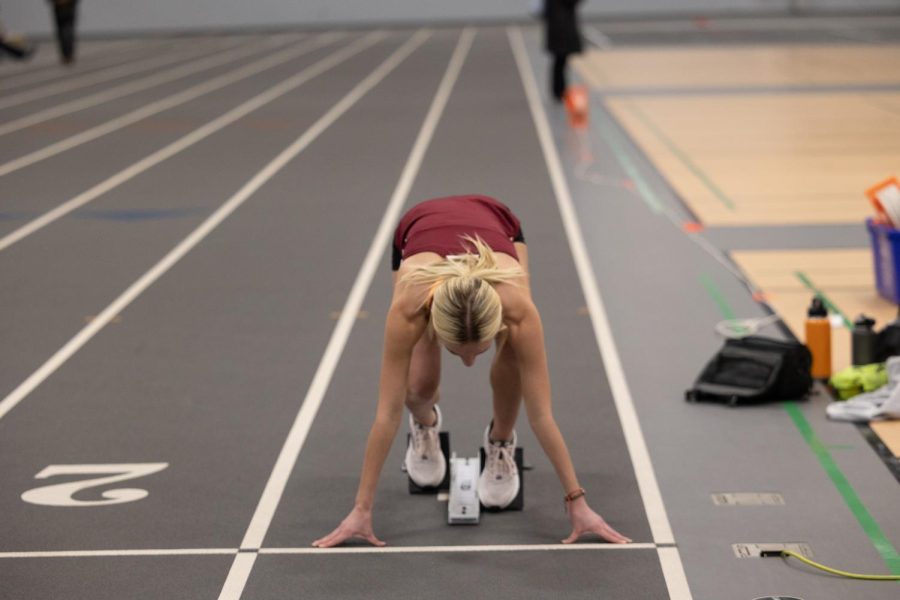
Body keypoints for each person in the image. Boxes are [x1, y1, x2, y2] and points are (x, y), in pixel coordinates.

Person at [312, 195, 631, 548]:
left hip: (497, 225)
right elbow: (386, 416)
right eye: (455, 351)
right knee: (417, 387)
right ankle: (425, 424)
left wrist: (577, 501)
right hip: (417, 232)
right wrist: (361, 509)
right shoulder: (409, 306)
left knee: (513, 353)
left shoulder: (518, 309)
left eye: (477, 351)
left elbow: (542, 415)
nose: (467, 364)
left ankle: (500, 442)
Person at [543, 0, 584, 102]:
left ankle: (560, 91)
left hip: (558, 27)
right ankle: (560, 91)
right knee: (560, 63)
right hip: (562, 29)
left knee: (559, 63)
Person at [47, 0, 79, 65]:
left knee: (62, 30)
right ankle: (68, 55)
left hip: (60, 5)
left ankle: (66, 55)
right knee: (67, 29)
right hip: (68, 5)